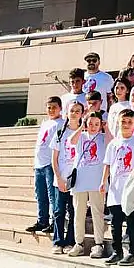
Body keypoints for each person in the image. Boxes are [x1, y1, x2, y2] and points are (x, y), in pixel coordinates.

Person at [102, 108, 134, 265]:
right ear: (118, 123)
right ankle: (117, 251)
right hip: (115, 190)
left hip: (131, 190)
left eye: (129, 122)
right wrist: (103, 182)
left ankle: (133, 253)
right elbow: (107, 164)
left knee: (132, 223)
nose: (126, 124)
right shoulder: (113, 143)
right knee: (115, 223)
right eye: (123, 122)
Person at [68, 111, 111, 258]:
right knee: (78, 214)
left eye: (96, 124)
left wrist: (106, 128)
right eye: (91, 123)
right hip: (80, 181)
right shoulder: (81, 136)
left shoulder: (103, 137)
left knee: (97, 214)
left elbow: (112, 143)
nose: (93, 127)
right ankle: (78, 243)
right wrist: (82, 126)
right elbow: (71, 141)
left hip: (97, 182)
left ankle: (98, 244)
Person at [26, 96, 64, 235]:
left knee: (51, 195)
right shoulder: (45, 123)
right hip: (39, 164)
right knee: (40, 194)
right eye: (49, 107)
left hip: (50, 163)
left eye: (54, 107)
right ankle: (42, 220)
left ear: (60, 108)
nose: (51, 110)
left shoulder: (61, 123)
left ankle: (55, 222)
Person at [49, 100, 83, 254]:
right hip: (61, 179)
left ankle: (70, 241)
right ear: (67, 113)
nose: (74, 114)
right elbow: (54, 158)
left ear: (82, 114)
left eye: (77, 111)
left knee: (74, 211)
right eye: (72, 111)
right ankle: (57, 242)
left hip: (77, 180)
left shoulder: (84, 133)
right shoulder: (60, 133)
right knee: (59, 211)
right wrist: (59, 178)